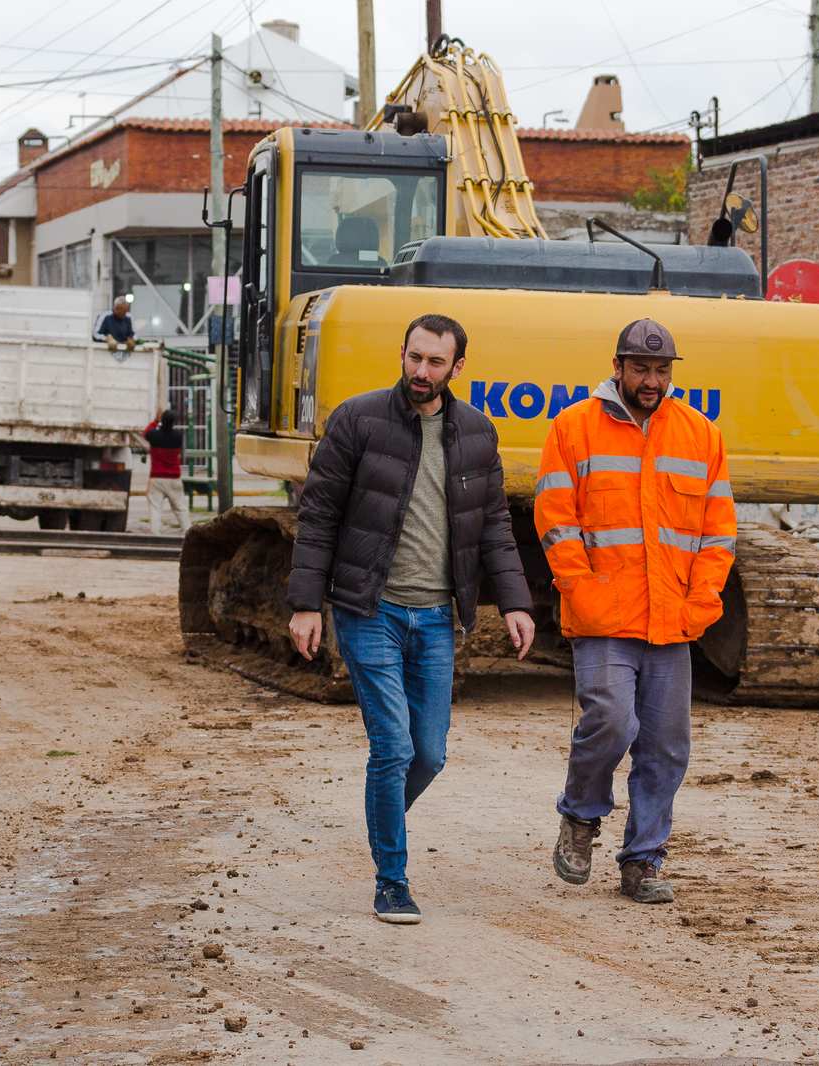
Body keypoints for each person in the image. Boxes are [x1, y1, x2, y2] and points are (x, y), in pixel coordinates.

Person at [287, 312, 536, 925]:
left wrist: (515, 602)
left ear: (457, 368)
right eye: (414, 358)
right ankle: (391, 880)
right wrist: (304, 603)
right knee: (393, 747)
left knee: (429, 754)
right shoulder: (357, 420)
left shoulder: (477, 432)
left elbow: (496, 526)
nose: (421, 372)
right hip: (368, 608)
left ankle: (382, 817)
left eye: (435, 362)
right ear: (402, 353)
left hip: (436, 618)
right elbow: (318, 515)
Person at [534, 318, 736, 905]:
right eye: (641, 369)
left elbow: (718, 533)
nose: (652, 381)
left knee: (667, 745)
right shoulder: (574, 428)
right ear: (617, 367)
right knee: (612, 723)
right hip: (603, 618)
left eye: (662, 370)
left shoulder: (700, 434)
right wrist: (584, 591)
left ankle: (643, 860)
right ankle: (580, 815)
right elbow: (554, 519)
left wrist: (703, 600)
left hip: (673, 618)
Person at [145, 408, 189, 535]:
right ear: (174, 422)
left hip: (157, 477)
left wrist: (155, 420)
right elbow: (183, 454)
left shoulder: (154, 435)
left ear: (162, 420)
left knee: (155, 507)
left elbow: (146, 432)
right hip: (174, 477)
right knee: (180, 507)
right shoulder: (178, 436)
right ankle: (187, 531)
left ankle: (155, 533)